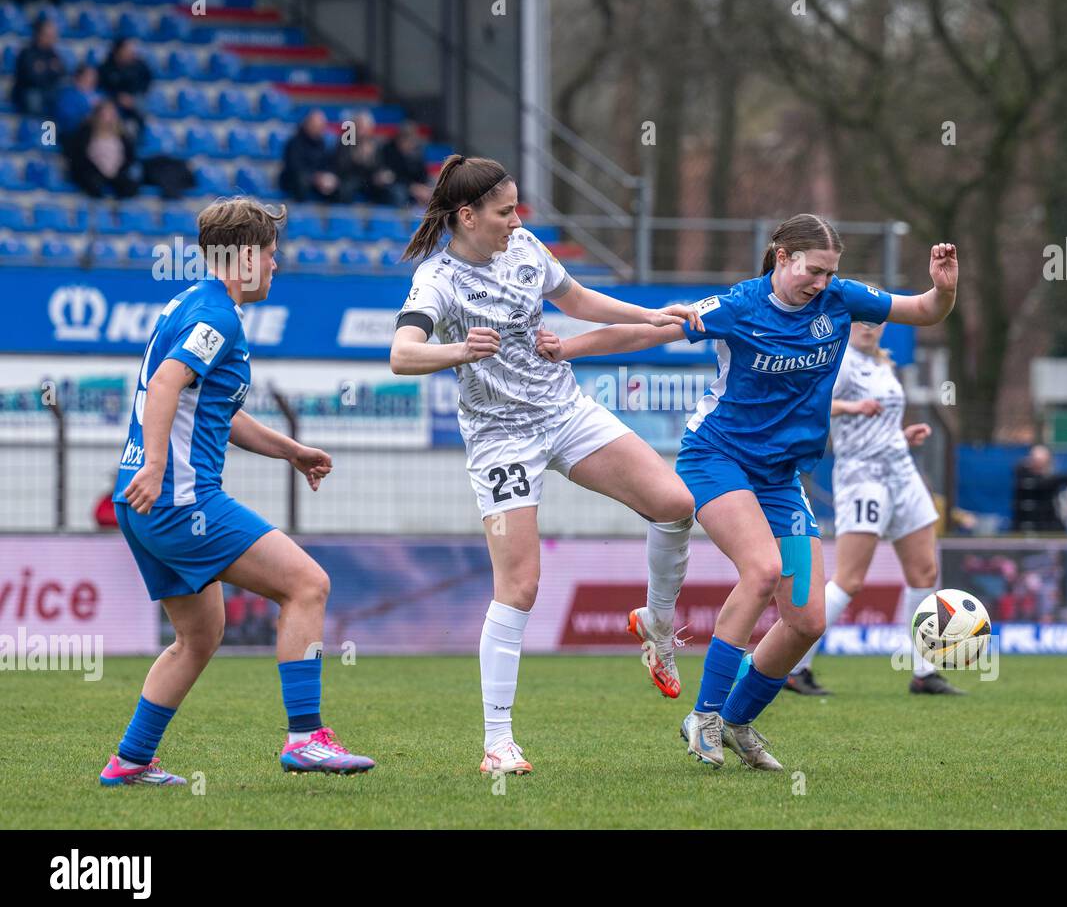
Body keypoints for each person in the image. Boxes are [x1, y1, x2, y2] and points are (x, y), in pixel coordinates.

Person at [538, 215, 959, 770]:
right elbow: (648, 332)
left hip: (780, 478)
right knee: (761, 571)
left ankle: (737, 720)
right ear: (782, 257)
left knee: (807, 620)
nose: (822, 283)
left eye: (830, 273)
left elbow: (924, 310)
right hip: (718, 460)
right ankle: (705, 716)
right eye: (813, 271)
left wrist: (943, 288)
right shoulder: (738, 306)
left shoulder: (840, 300)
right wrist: (569, 349)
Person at [389, 155, 699, 776]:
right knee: (520, 586)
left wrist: (651, 315)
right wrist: (459, 349)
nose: (516, 221)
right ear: (467, 216)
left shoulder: (526, 248)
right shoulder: (438, 279)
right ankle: (497, 743)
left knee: (675, 504)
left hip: (565, 411)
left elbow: (577, 300)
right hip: (501, 439)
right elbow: (402, 355)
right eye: (505, 212)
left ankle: (656, 626)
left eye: (517, 209)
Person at [101, 197, 374, 786]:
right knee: (307, 585)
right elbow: (166, 384)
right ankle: (306, 739)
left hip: (143, 503)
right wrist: (157, 465)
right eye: (272, 253)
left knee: (198, 637)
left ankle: (130, 761)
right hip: (179, 500)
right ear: (246, 256)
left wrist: (291, 450)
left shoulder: (190, 302)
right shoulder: (218, 317)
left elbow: (213, 408)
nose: (277, 264)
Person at [785, 320, 963, 697]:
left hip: (901, 470)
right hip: (862, 476)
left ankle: (924, 672)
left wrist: (901, 436)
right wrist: (851, 406)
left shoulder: (883, 362)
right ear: (848, 322)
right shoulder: (840, 360)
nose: (868, 326)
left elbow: (878, 423)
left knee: (925, 571)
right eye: (861, 319)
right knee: (849, 579)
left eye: (875, 319)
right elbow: (808, 405)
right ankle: (795, 667)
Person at [1011, 444, 1067, 533]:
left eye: (1042, 462)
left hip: (1048, 529)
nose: (1039, 465)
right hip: (1024, 529)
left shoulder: (1050, 479)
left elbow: (1052, 481)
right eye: (1036, 461)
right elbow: (1044, 482)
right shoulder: (1024, 477)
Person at [63, 100, 139, 199]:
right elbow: (78, 155)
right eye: (105, 114)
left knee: (130, 186)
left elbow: (129, 156)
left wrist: (119, 169)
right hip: (93, 172)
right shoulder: (86, 132)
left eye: (111, 114)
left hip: (116, 172)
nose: (108, 117)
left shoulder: (122, 134)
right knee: (92, 183)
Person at [334, 110, 401, 205]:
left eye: (365, 127)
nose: (362, 131)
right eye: (359, 127)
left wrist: (383, 174)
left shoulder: (377, 144)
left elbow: (382, 166)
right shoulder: (346, 142)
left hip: (373, 180)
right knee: (344, 189)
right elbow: (341, 167)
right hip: (352, 178)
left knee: (394, 192)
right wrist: (356, 158)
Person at [278, 109, 339, 202]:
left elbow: (328, 164)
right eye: (315, 125)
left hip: (318, 181)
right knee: (301, 181)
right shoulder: (294, 143)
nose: (318, 128)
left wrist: (327, 176)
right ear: (307, 124)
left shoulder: (324, 144)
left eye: (320, 126)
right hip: (295, 179)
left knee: (335, 183)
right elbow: (294, 166)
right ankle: (298, 207)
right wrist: (315, 178)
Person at [96, 37, 152, 136]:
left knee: (142, 108)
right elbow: (101, 87)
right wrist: (118, 97)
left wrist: (133, 98)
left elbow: (147, 81)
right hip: (113, 101)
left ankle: (141, 135)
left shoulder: (140, 65)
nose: (131, 53)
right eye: (127, 50)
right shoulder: (106, 67)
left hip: (135, 99)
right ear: (119, 50)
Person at [10, 17, 65, 116]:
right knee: (34, 98)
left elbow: (61, 74)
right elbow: (32, 78)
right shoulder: (27, 53)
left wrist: (44, 70)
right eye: (49, 35)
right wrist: (50, 70)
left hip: (49, 90)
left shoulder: (53, 54)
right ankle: (34, 123)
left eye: (54, 35)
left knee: (63, 97)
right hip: (28, 92)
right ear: (39, 35)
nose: (53, 38)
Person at [381, 122, 434, 207]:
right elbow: (392, 176)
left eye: (411, 141)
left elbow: (422, 173)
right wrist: (412, 187)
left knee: (434, 188)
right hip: (398, 185)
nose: (409, 144)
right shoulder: (388, 151)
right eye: (405, 140)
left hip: (415, 186)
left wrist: (423, 187)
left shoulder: (417, 152)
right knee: (398, 193)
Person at [50, 63, 98, 136]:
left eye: (94, 75)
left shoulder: (100, 94)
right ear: (79, 76)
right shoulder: (67, 95)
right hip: (76, 134)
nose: (92, 78)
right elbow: (66, 119)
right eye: (89, 75)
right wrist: (86, 118)